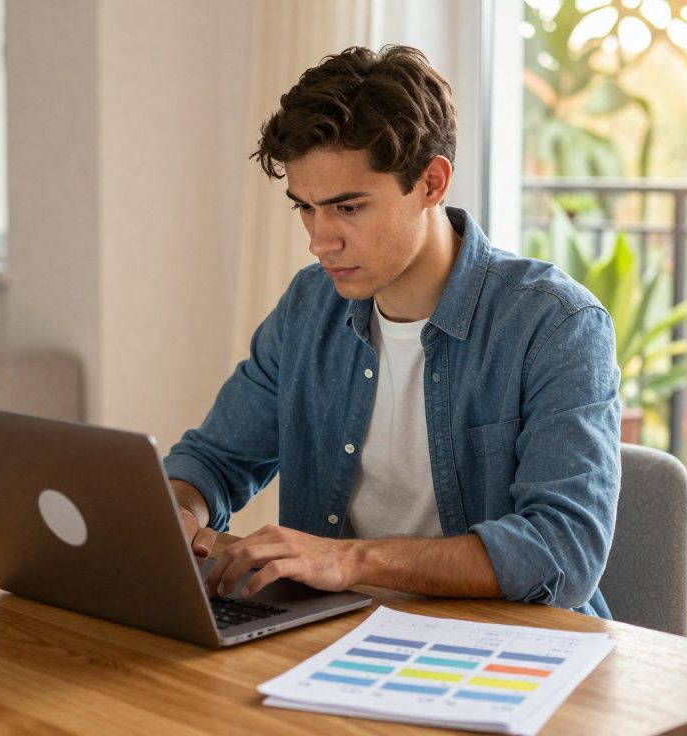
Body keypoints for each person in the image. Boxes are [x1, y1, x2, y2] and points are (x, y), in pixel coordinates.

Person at [162, 46, 621, 617]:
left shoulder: (556, 326)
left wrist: (351, 560)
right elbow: (215, 459)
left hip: (509, 653)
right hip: (335, 636)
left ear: (431, 183)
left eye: (348, 208)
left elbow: (563, 551)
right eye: (305, 208)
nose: (319, 240)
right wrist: (178, 511)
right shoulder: (310, 305)